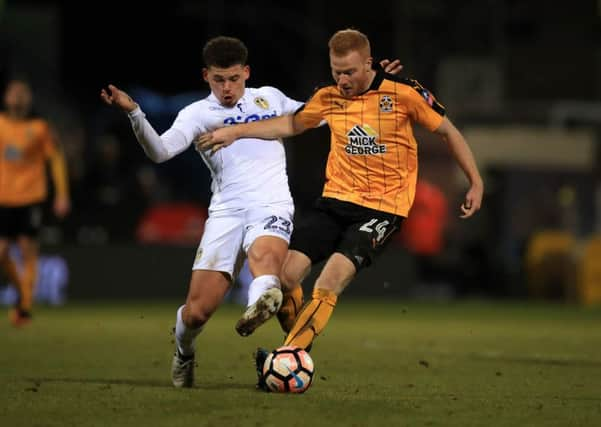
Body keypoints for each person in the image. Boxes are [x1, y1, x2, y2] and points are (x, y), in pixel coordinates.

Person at [100, 36, 402, 389]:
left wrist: (374, 81)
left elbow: (328, 109)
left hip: (272, 203)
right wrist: (134, 112)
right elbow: (160, 152)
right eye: (218, 80)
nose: (227, 88)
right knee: (198, 311)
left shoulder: (270, 97)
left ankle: (262, 302)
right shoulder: (197, 115)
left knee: (265, 256)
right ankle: (185, 350)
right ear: (206, 76)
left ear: (246, 72)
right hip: (226, 211)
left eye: (233, 78)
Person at [198, 28, 484, 389]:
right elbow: (291, 123)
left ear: (368, 63)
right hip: (335, 201)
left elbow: (449, 132)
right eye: (337, 72)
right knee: (284, 275)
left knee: (330, 280)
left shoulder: (403, 93)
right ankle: (294, 350)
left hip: (382, 210)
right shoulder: (328, 97)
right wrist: (237, 132)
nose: (343, 80)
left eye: (350, 72)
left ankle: (285, 357)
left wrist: (475, 181)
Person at [0, 78, 71, 326]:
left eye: (23, 92)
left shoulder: (40, 128)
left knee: (29, 250)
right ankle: (23, 294)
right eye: (14, 92)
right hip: (3, 198)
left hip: (30, 198)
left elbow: (56, 160)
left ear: (29, 99)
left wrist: (62, 193)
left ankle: (25, 307)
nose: (18, 96)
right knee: (2, 252)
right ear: (6, 97)